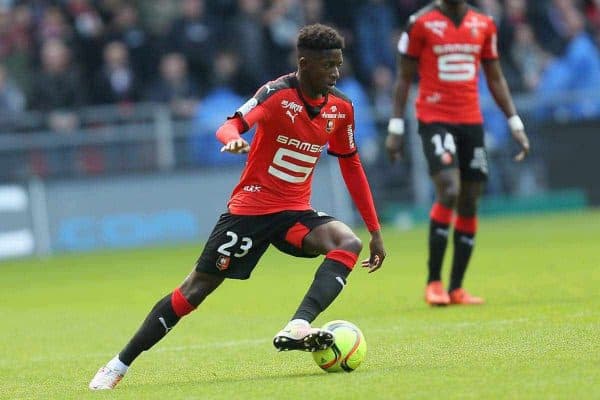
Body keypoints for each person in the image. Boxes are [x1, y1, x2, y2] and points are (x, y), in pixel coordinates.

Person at [89, 23, 386, 390]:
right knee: (194, 291)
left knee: (347, 242)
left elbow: (351, 164)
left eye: (338, 64)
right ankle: (118, 364)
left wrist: (374, 230)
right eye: (328, 65)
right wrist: (231, 141)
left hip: (294, 214)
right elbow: (231, 125)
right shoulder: (276, 94)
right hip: (251, 211)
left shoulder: (341, 108)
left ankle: (298, 325)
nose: (336, 73)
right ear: (304, 63)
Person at [385, 0, 529, 306]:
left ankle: (457, 288)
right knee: (449, 190)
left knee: (470, 197)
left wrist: (514, 122)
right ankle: (434, 282)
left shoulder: (484, 24)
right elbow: (404, 77)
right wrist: (396, 127)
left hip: (471, 122)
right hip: (435, 119)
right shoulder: (420, 22)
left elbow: (495, 76)